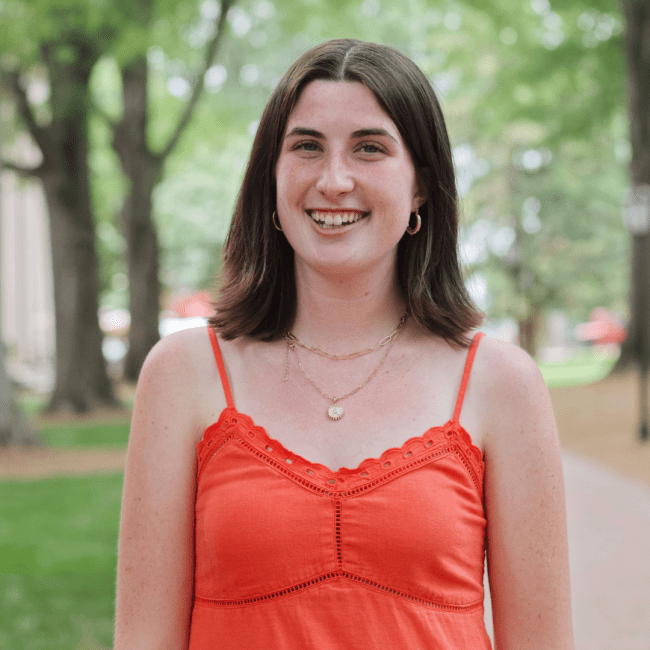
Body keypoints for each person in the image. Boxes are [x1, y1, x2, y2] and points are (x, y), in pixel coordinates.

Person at [114, 39, 574, 649]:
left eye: (370, 148)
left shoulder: (502, 384)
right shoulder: (183, 374)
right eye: (306, 147)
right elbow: (144, 639)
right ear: (270, 183)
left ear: (420, 189)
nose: (334, 181)